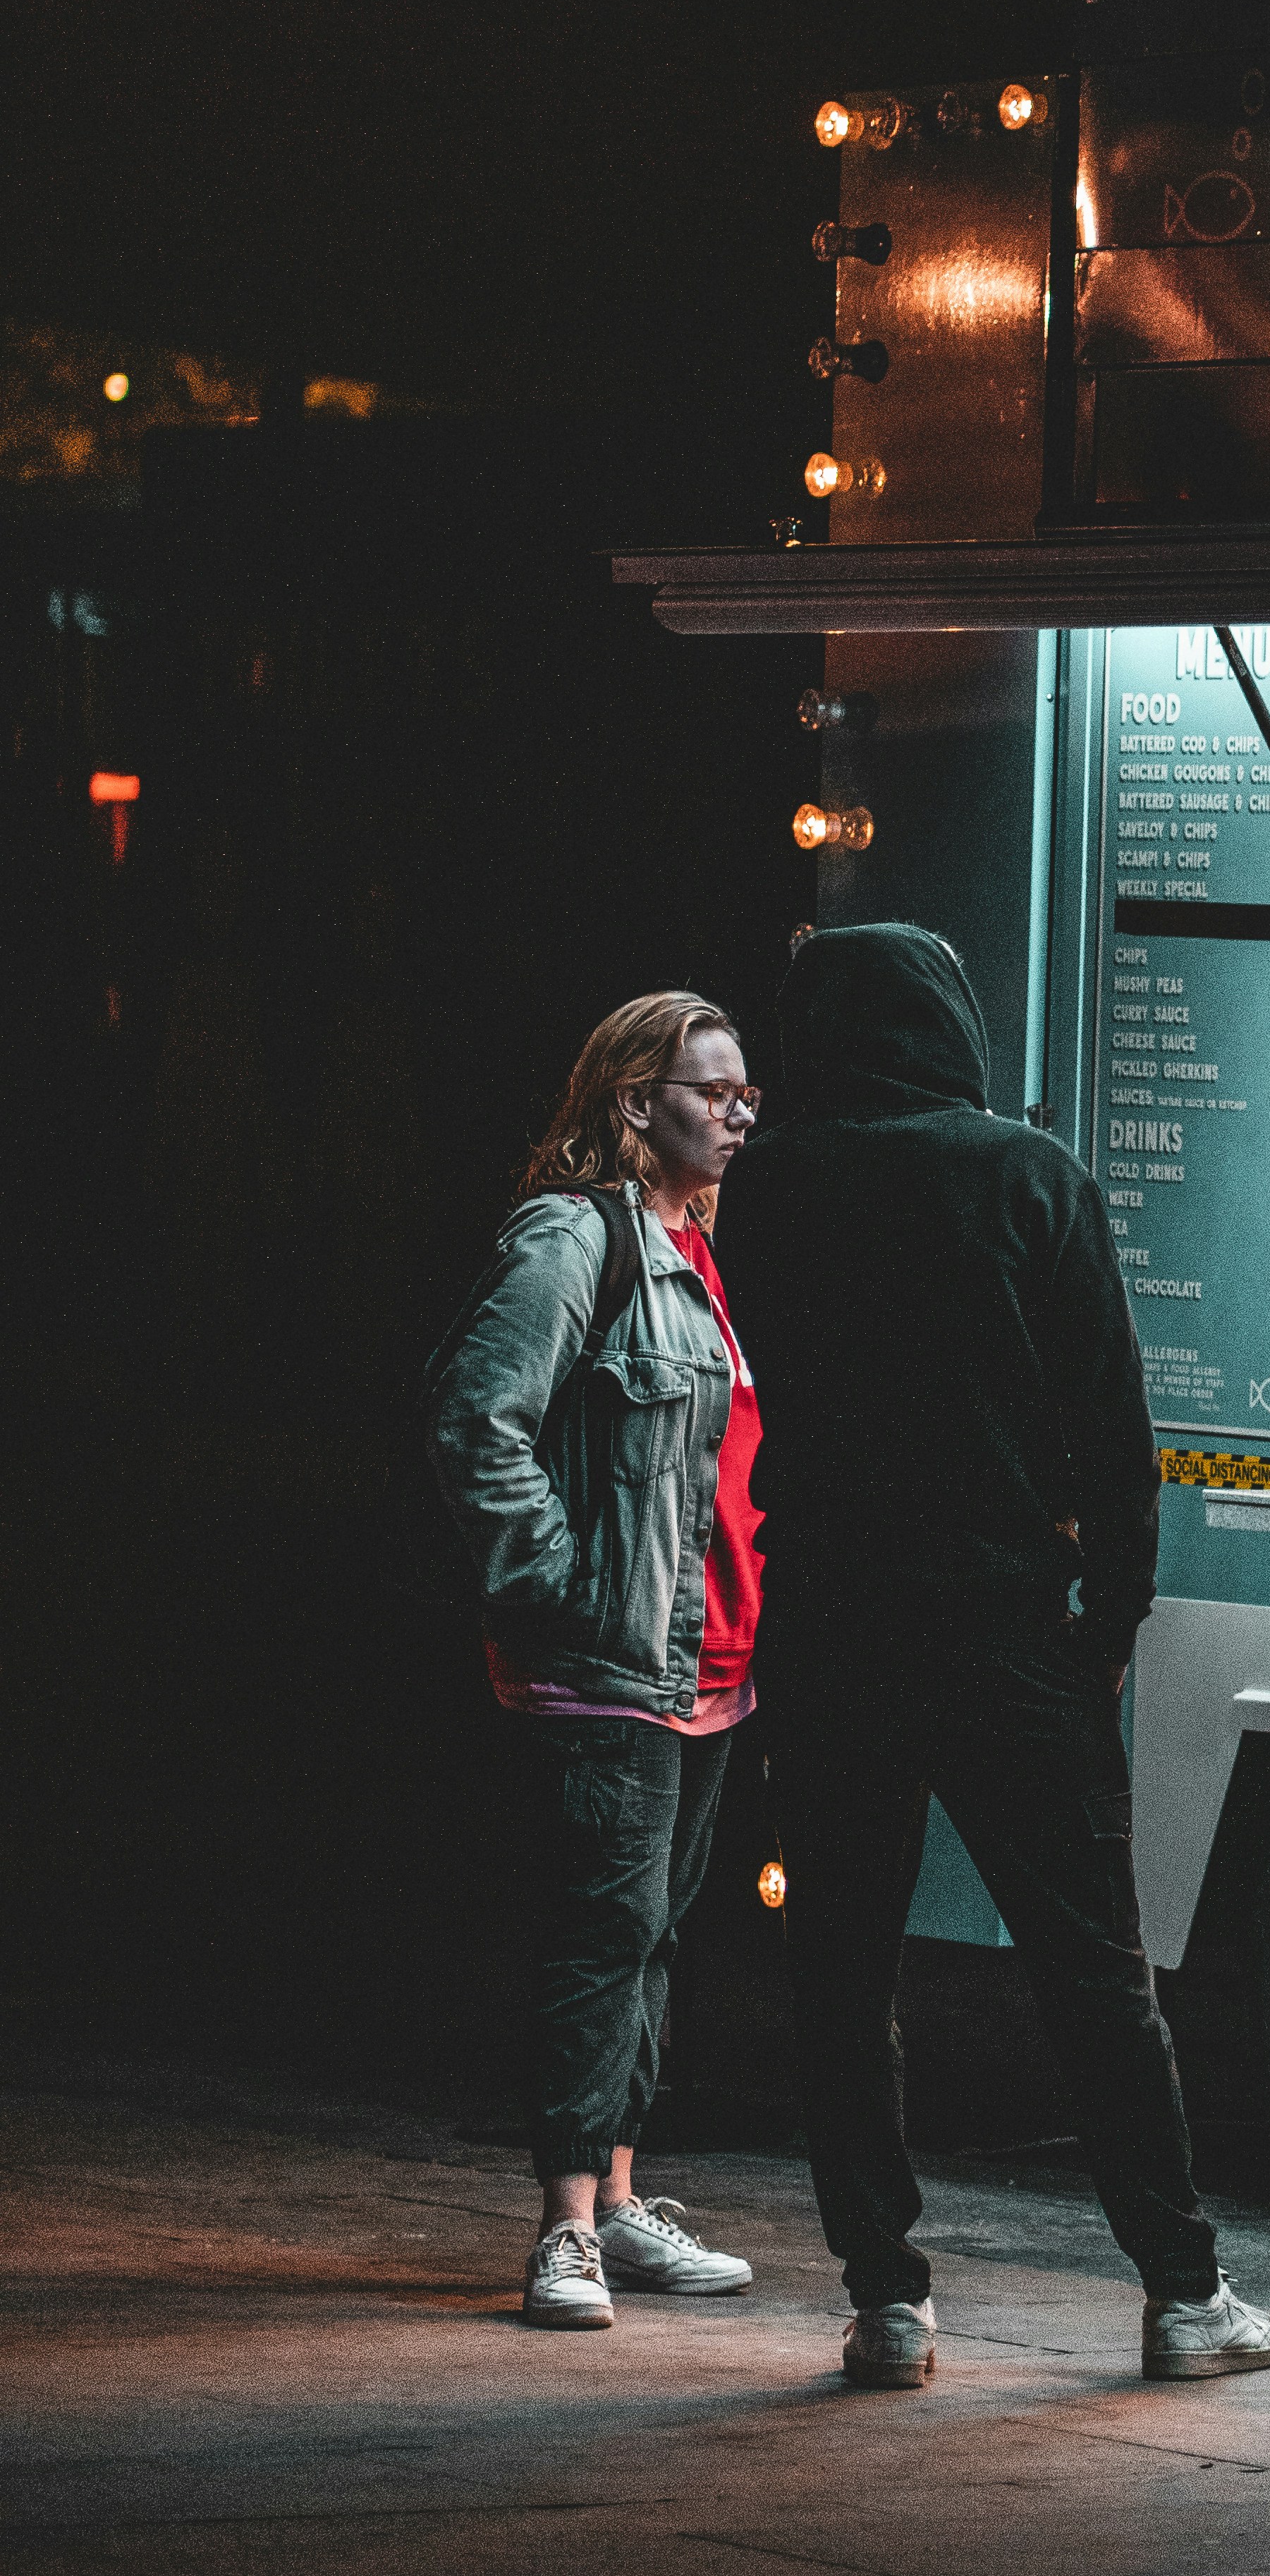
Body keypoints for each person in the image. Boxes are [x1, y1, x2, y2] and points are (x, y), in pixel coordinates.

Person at [719, 918, 1270, 2393]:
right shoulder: (1029, 1175)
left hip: (832, 1616)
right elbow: (1113, 1421)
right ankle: (1180, 2290)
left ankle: (886, 2300)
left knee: (840, 1966)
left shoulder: (767, 1187)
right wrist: (1113, 1612)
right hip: (1007, 1619)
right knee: (1092, 1969)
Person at [424, 990, 771, 2330]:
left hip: (712, 1661)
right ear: (635, 1105)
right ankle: (565, 2228)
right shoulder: (577, 1239)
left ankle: (619, 2204)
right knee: (599, 1937)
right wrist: (558, 1583)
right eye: (709, 1091)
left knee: (652, 1939)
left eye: (747, 1094)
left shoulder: (705, 1249)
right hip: (616, 1662)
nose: (739, 1113)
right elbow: (474, 1416)